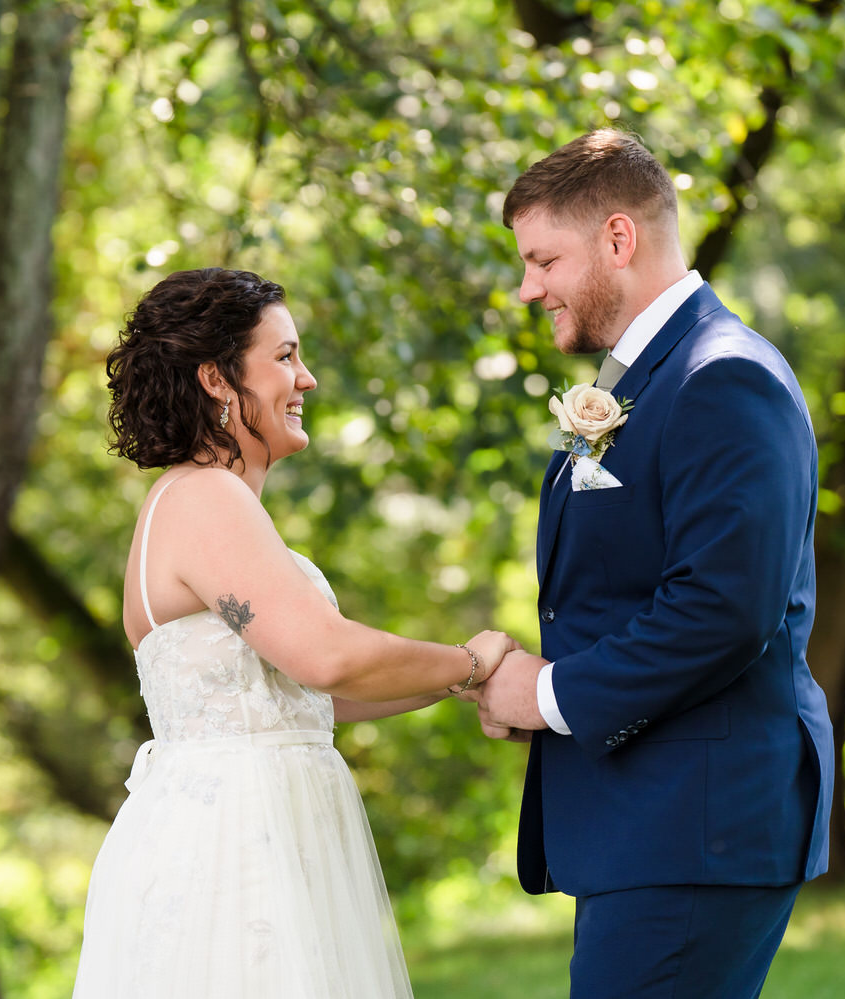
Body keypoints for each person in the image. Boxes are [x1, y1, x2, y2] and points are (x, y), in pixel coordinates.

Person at [71, 266, 514, 999]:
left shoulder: (217, 506)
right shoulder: (203, 498)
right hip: (232, 858)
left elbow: (315, 694)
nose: (305, 378)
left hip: (274, 836)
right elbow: (329, 655)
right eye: (284, 356)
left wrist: (457, 686)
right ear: (216, 378)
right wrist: (472, 659)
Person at [474, 129, 836, 997]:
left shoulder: (723, 377)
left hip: (698, 826)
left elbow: (721, 610)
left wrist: (550, 694)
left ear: (619, 238)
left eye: (543, 260)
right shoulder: (652, 378)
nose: (528, 289)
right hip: (656, 823)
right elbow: (622, 589)